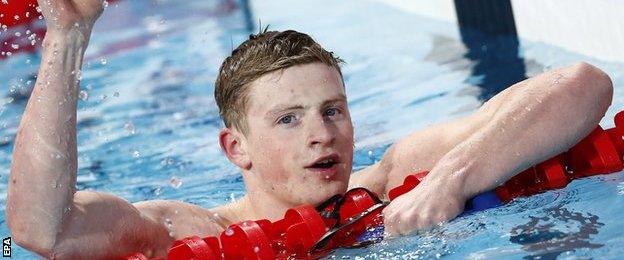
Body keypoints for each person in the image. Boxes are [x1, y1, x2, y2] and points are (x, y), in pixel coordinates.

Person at [6, 0, 613, 259]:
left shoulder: (397, 179)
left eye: (333, 110)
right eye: (288, 120)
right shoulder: (183, 232)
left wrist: (453, 179)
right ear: (234, 147)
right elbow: (41, 233)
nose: (321, 135)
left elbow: (585, 84)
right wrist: (67, 37)